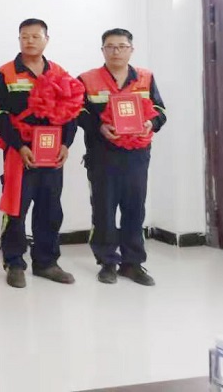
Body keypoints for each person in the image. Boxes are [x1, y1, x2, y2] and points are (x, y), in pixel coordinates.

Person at [0, 19, 79, 288]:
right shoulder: (5, 73)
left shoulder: (60, 73)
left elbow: (72, 111)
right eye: (24, 36)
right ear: (19, 39)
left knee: (50, 208)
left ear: (46, 40)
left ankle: (46, 262)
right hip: (21, 152)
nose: (29, 41)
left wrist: (66, 144)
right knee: (16, 209)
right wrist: (19, 145)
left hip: (53, 153)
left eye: (35, 36)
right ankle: (14, 262)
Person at [78, 28, 166, 286]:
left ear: (131, 49)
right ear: (102, 50)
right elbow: (78, 113)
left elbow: (160, 110)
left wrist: (151, 123)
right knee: (103, 209)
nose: (116, 51)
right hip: (102, 156)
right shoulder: (87, 79)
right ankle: (107, 262)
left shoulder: (146, 78)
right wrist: (99, 127)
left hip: (136, 156)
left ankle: (132, 263)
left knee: (134, 208)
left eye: (122, 46)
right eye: (110, 46)